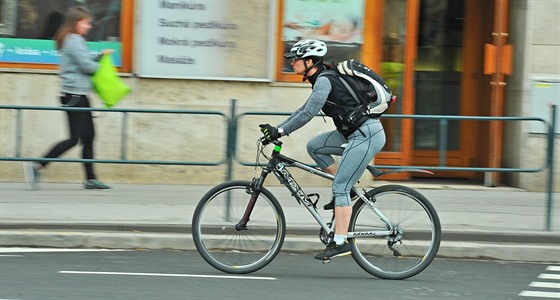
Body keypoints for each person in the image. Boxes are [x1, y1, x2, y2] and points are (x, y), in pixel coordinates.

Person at [259, 39, 387, 260]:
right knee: (315, 147)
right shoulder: (321, 80)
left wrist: (281, 132)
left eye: (295, 60)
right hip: (352, 133)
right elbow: (303, 109)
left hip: (366, 134)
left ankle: (340, 241)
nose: (292, 64)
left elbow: (308, 113)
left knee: (340, 188)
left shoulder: (325, 80)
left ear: (309, 61)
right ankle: (348, 192)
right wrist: (279, 129)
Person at [23, 6, 112, 190]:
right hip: (74, 95)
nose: (89, 26)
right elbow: (87, 67)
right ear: (75, 23)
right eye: (85, 23)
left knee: (88, 137)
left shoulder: (73, 40)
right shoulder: (74, 41)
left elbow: (84, 64)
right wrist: (103, 62)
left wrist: (98, 57)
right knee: (74, 138)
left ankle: (90, 179)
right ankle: (37, 166)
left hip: (79, 94)